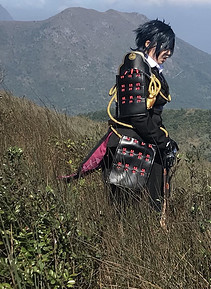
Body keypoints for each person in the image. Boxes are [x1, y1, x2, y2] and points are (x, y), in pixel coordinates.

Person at [72, 19, 178, 210]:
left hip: (144, 145)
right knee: (127, 212)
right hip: (130, 148)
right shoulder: (135, 66)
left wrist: (163, 142)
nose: (169, 52)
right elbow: (137, 116)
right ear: (148, 43)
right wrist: (163, 141)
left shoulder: (149, 69)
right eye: (165, 46)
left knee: (146, 210)